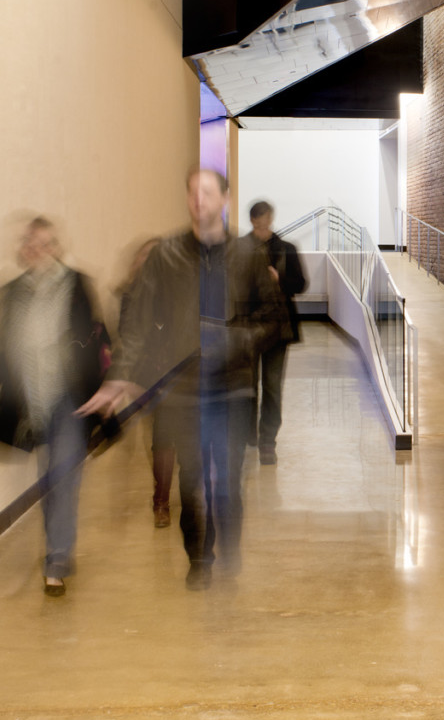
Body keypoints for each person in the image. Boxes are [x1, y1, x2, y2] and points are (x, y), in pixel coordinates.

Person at [80, 169, 277, 590]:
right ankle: (199, 558)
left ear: (224, 198)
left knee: (226, 481)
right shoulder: (165, 255)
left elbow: (273, 322)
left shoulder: (247, 256)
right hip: (184, 392)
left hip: (233, 389)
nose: (197, 200)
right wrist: (119, 377)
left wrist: (233, 340)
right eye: (192, 192)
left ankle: (231, 548)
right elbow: (137, 323)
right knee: (191, 483)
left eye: (206, 192)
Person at [0, 217, 109, 596]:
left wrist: (102, 391)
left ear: (55, 248)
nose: (38, 249)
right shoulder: (13, 291)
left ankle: (57, 558)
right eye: (32, 242)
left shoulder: (75, 284)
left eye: (46, 243)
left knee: (63, 474)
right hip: (32, 400)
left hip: (68, 397)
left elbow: (95, 337)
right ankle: (57, 544)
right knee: (49, 478)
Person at [117, 236, 175, 527]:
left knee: (169, 438)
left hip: (178, 374)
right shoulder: (131, 296)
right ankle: (161, 498)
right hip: (147, 378)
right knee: (159, 439)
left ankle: (164, 499)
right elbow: (127, 336)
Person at [246, 201, 306, 465]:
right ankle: (248, 434)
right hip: (246, 329)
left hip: (278, 328)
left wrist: (277, 279)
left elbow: (301, 284)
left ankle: (268, 441)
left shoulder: (286, 249)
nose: (263, 224)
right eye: (259, 220)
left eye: (267, 219)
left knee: (271, 387)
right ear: (252, 221)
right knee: (247, 387)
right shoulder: (239, 250)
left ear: (271, 219)